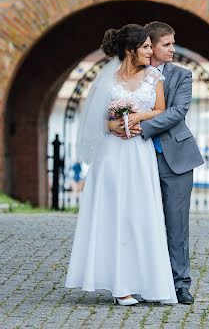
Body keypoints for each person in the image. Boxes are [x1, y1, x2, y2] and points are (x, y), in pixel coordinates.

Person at [65, 24, 177, 305]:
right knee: (114, 215)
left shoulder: (154, 77)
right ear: (131, 50)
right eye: (146, 47)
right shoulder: (107, 80)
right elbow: (93, 119)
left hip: (139, 153)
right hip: (112, 155)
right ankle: (119, 286)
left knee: (141, 214)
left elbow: (161, 110)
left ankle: (152, 284)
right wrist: (111, 123)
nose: (152, 52)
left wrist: (138, 117)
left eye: (153, 47)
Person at [111, 21, 204, 305]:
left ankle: (180, 284)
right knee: (139, 222)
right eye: (166, 44)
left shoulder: (181, 75)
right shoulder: (126, 77)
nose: (172, 49)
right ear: (147, 46)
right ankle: (141, 281)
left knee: (177, 226)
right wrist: (116, 125)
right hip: (138, 160)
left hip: (175, 159)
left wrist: (140, 123)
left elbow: (177, 112)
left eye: (172, 44)